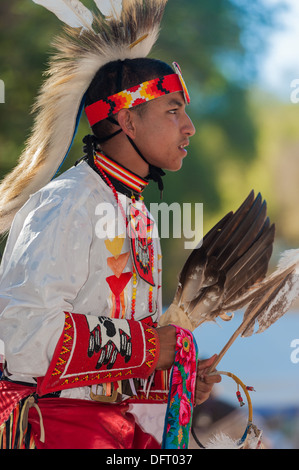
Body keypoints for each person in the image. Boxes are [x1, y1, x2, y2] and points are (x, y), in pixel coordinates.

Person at [0, 0, 221, 449]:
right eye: (173, 111)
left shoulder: (135, 213)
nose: (190, 127)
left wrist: (171, 375)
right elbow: (23, 334)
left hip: (114, 432)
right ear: (126, 120)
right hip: (57, 431)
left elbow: (116, 374)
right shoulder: (67, 203)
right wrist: (148, 348)